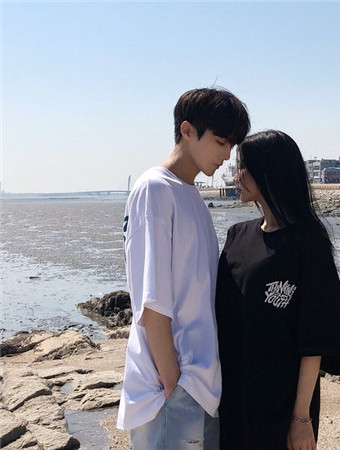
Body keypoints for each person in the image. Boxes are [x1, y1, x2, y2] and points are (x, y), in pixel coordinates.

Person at [117, 87, 250, 450]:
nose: (226, 154)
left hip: (199, 387)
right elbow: (152, 302)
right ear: (187, 130)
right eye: (220, 141)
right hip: (171, 390)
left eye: (231, 145)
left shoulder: (190, 194)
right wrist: (174, 382)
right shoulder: (154, 190)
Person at [216, 130, 340, 450]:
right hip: (231, 394)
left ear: (269, 171)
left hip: (281, 405)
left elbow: (314, 338)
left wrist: (301, 417)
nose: (236, 175)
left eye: (243, 167)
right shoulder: (237, 236)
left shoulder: (308, 243)